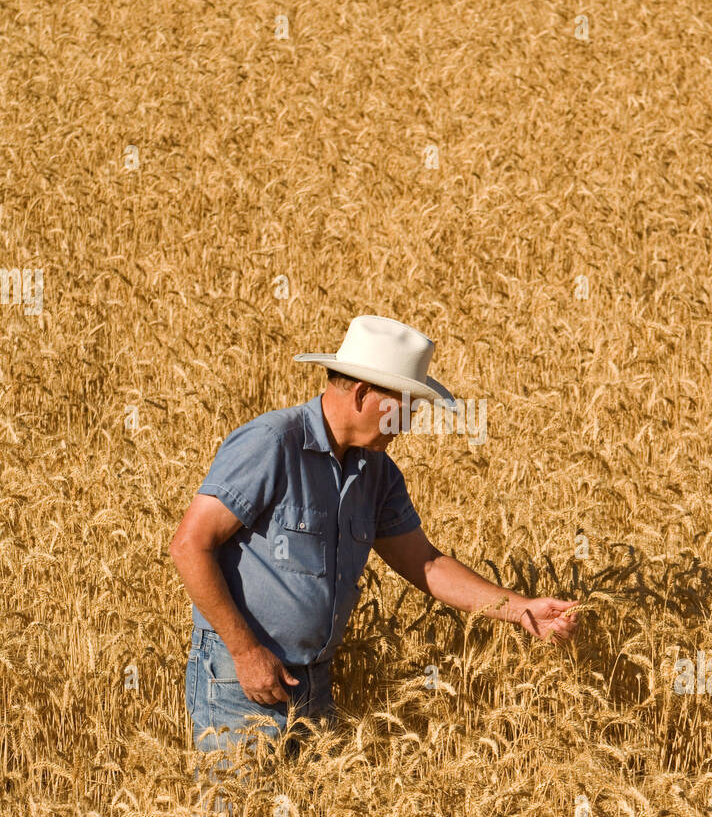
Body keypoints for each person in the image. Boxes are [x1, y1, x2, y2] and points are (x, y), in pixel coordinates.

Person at [170, 314, 579, 770]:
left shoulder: (377, 473)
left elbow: (424, 562)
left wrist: (521, 610)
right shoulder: (271, 444)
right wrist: (246, 653)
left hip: (312, 682)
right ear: (364, 395)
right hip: (238, 679)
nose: (405, 426)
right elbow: (190, 545)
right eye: (403, 410)